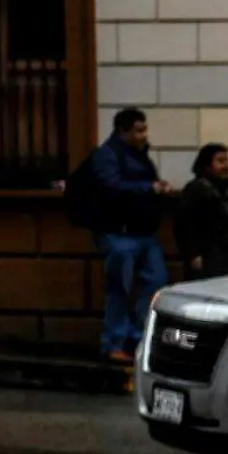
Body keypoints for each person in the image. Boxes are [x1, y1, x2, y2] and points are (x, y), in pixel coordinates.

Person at [90, 108, 171, 362]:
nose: (143, 135)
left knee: (156, 282)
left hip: (143, 232)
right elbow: (110, 187)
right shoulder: (107, 155)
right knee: (120, 288)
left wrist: (156, 189)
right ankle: (114, 342)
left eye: (144, 129)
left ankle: (135, 338)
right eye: (138, 130)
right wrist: (149, 188)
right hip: (119, 233)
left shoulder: (139, 155)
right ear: (122, 131)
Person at [175, 144, 228, 281]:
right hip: (209, 256)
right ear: (207, 164)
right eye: (220, 161)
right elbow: (185, 224)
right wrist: (194, 254)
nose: (226, 166)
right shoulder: (195, 189)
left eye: (227, 161)